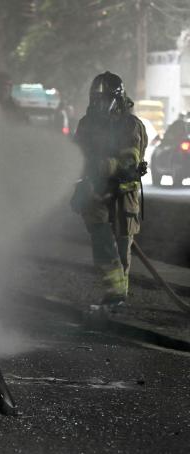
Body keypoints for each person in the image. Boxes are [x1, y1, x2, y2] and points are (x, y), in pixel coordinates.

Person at [71, 71, 148, 307]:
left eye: (103, 99)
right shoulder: (87, 124)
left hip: (124, 194)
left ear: (117, 99)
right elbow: (75, 154)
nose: (98, 104)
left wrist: (102, 166)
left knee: (123, 245)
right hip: (96, 193)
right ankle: (114, 291)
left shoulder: (130, 125)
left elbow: (130, 159)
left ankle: (117, 298)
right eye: (95, 99)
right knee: (102, 240)